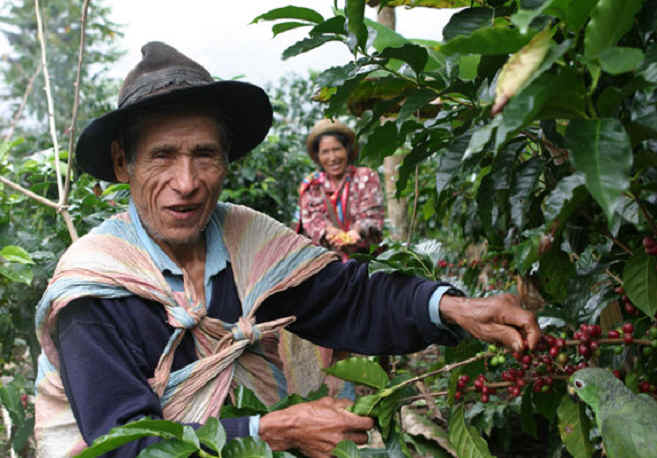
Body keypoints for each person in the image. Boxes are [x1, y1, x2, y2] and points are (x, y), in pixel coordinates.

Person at [34, 41, 541, 458]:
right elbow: (125, 446)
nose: (185, 183)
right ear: (124, 164)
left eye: (205, 155)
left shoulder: (247, 242)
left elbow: (349, 298)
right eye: (162, 156)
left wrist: (454, 307)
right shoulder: (94, 291)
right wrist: (268, 431)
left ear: (228, 160)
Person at [298, 119, 384, 261]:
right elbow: (312, 219)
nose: (332, 158)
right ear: (318, 156)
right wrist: (329, 232)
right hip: (328, 264)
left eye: (337, 149)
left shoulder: (365, 176)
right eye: (325, 152)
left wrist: (356, 232)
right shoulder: (312, 185)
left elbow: (373, 214)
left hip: (367, 261)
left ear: (347, 150)